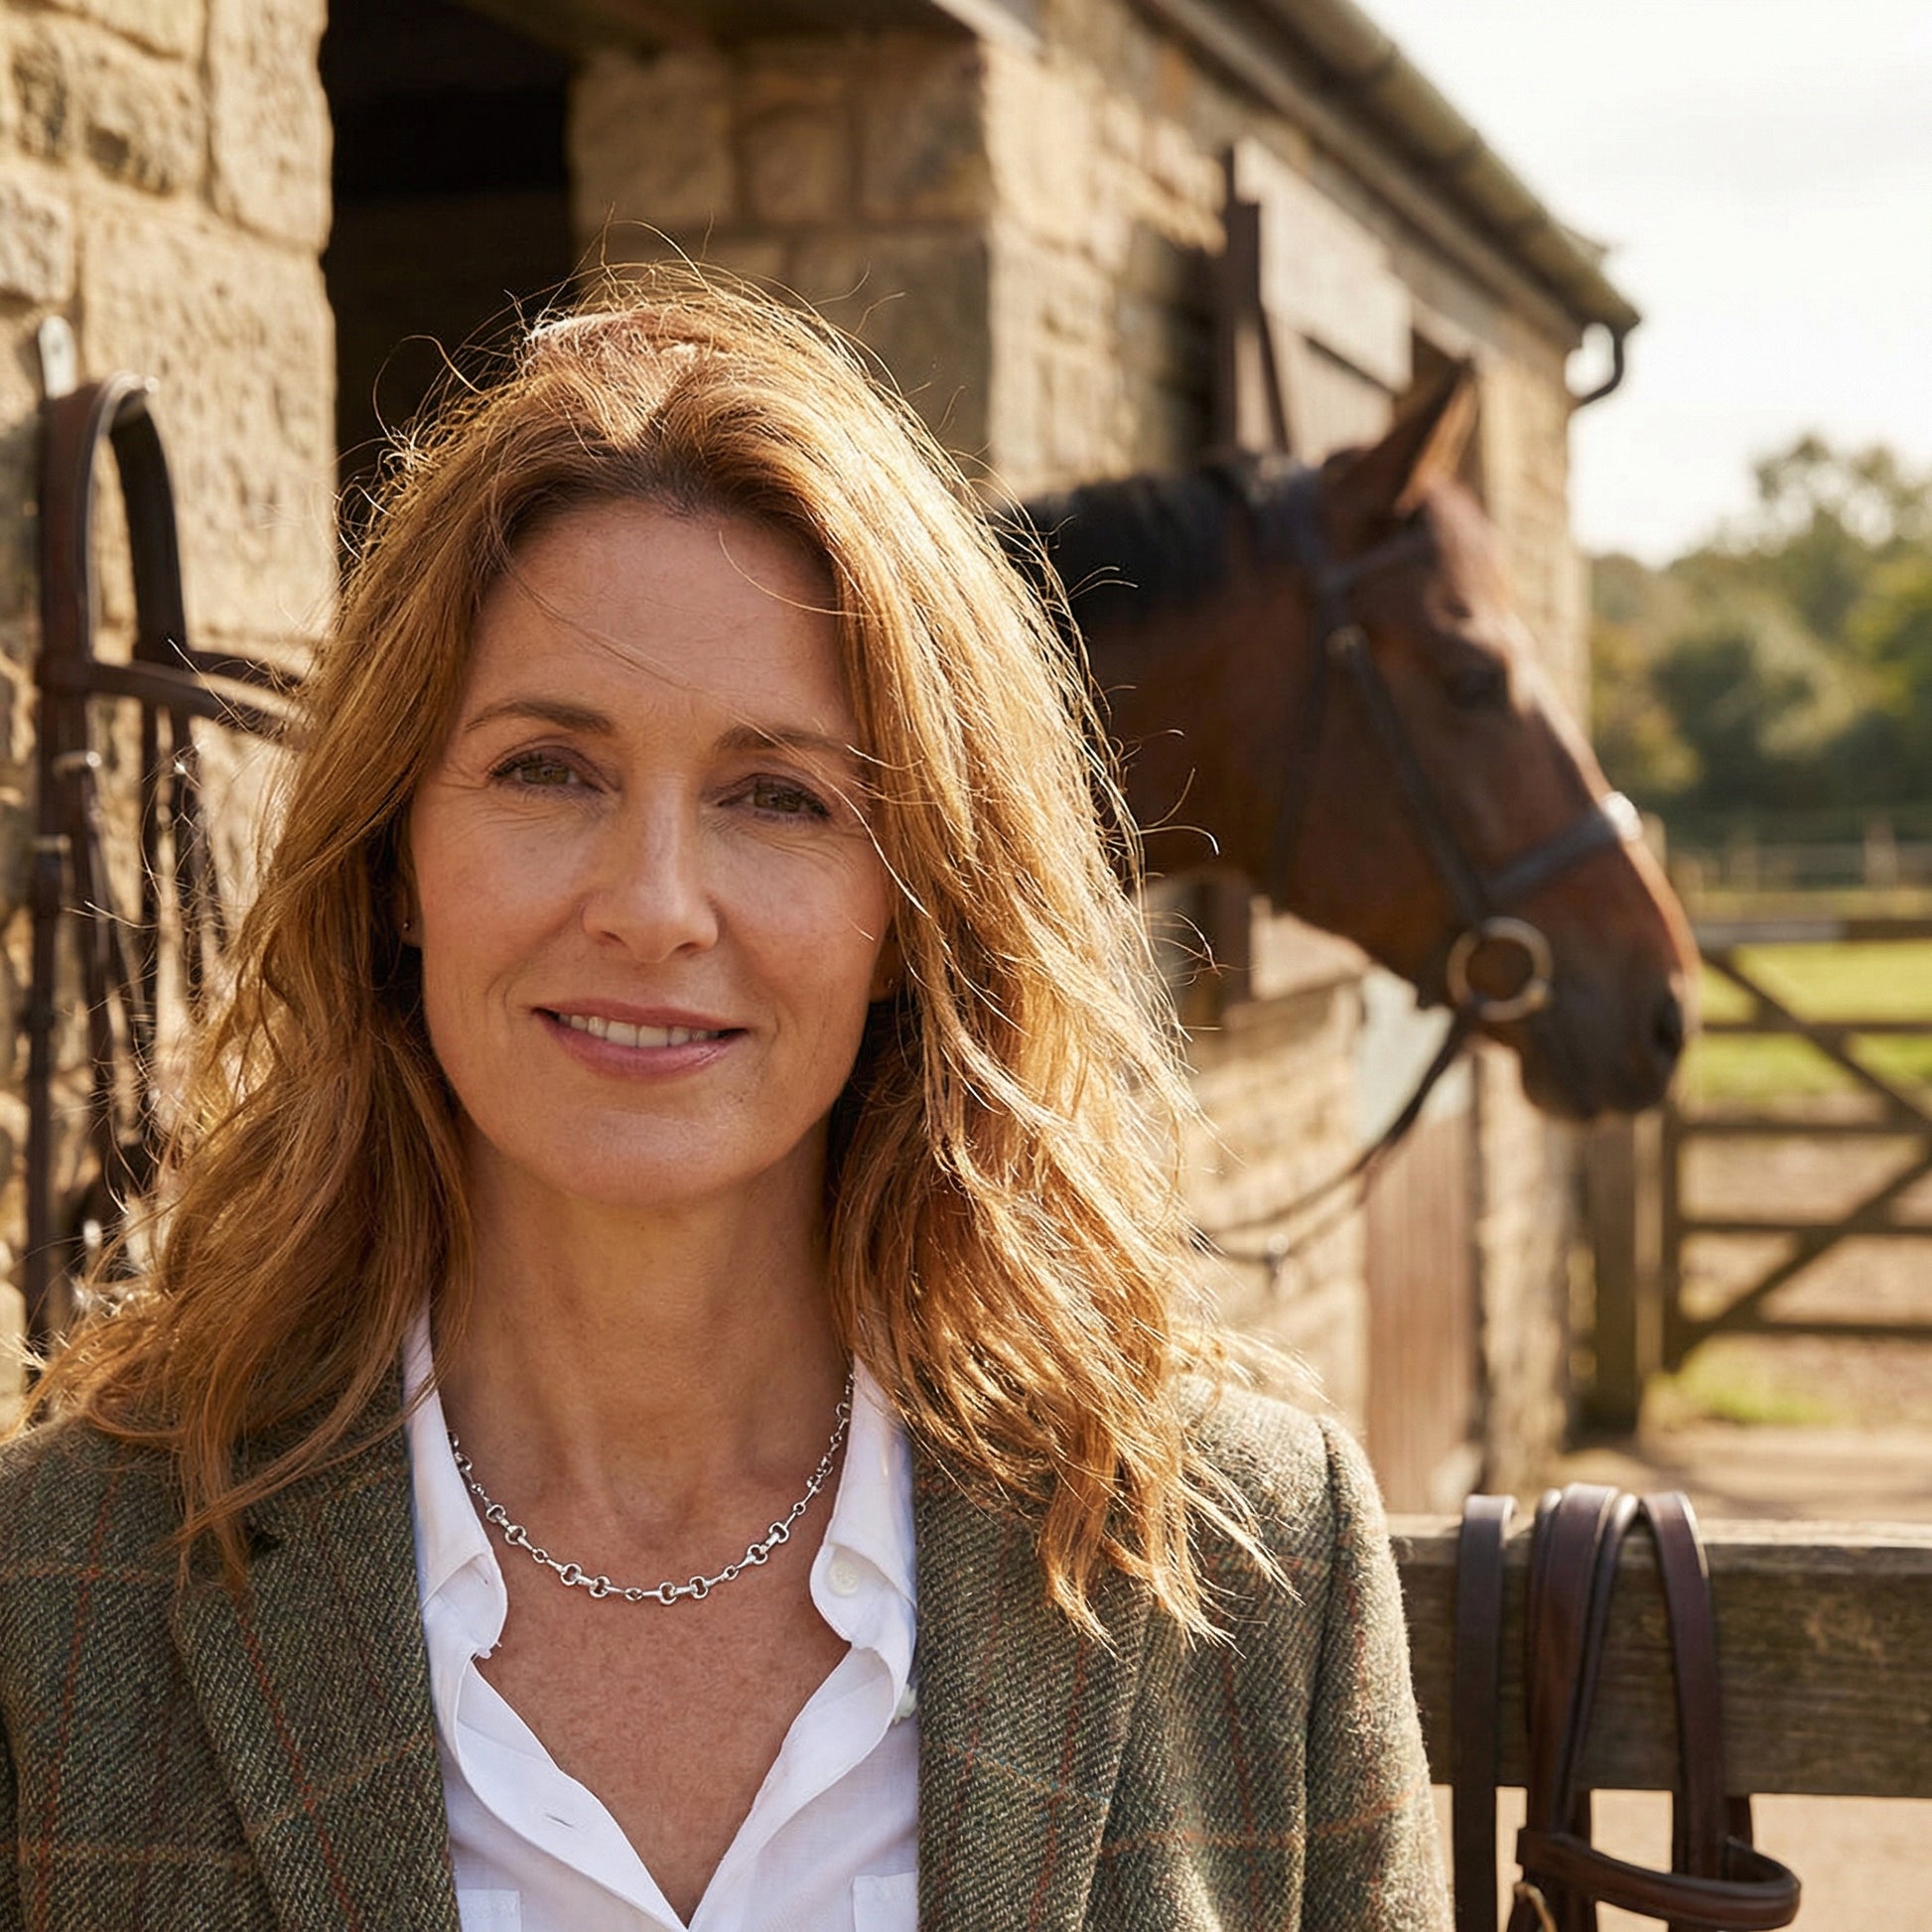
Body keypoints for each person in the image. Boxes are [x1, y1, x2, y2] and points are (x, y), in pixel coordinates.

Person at [0, 272, 1448, 1930]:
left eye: (778, 795)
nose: (655, 903)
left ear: (912, 905)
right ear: (399, 858)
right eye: (549, 768)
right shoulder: (63, 1579)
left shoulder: (1254, 1556)